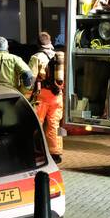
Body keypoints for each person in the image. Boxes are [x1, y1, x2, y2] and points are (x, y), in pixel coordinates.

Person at [29, 32, 65, 162]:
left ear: (38, 43)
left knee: (36, 124)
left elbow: (31, 79)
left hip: (42, 96)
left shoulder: (36, 57)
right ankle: (56, 153)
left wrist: (27, 95)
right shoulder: (59, 56)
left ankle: (36, 152)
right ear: (50, 42)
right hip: (57, 96)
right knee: (54, 125)